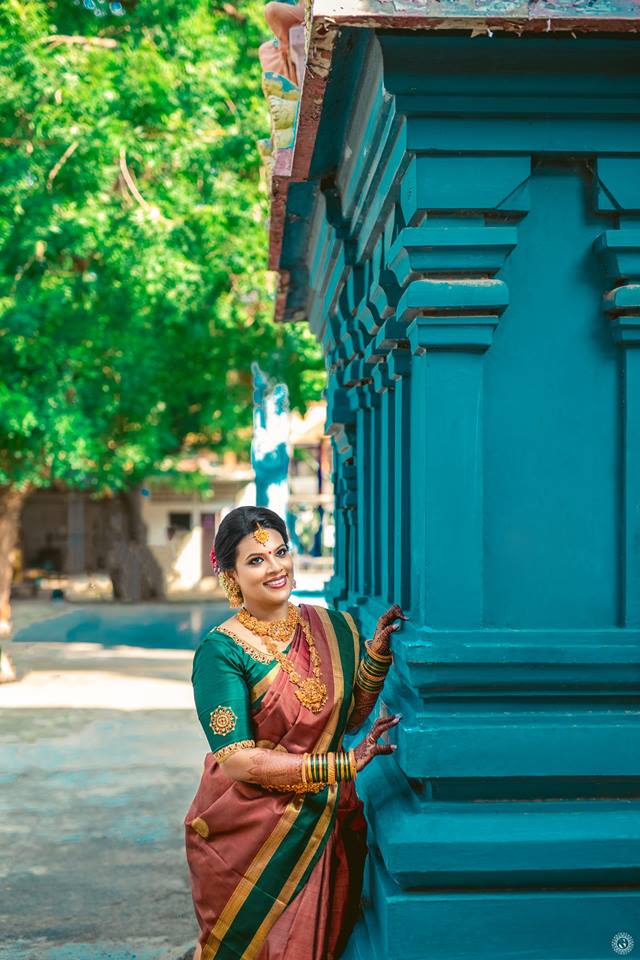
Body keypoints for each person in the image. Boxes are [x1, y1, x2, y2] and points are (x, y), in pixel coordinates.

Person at [184, 506, 406, 960]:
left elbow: (345, 720)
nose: (275, 567)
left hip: (322, 819)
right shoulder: (221, 651)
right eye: (255, 560)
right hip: (251, 833)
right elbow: (238, 761)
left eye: (280, 552)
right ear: (230, 574)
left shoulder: (334, 626)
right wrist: (342, 764)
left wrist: (375, 662)